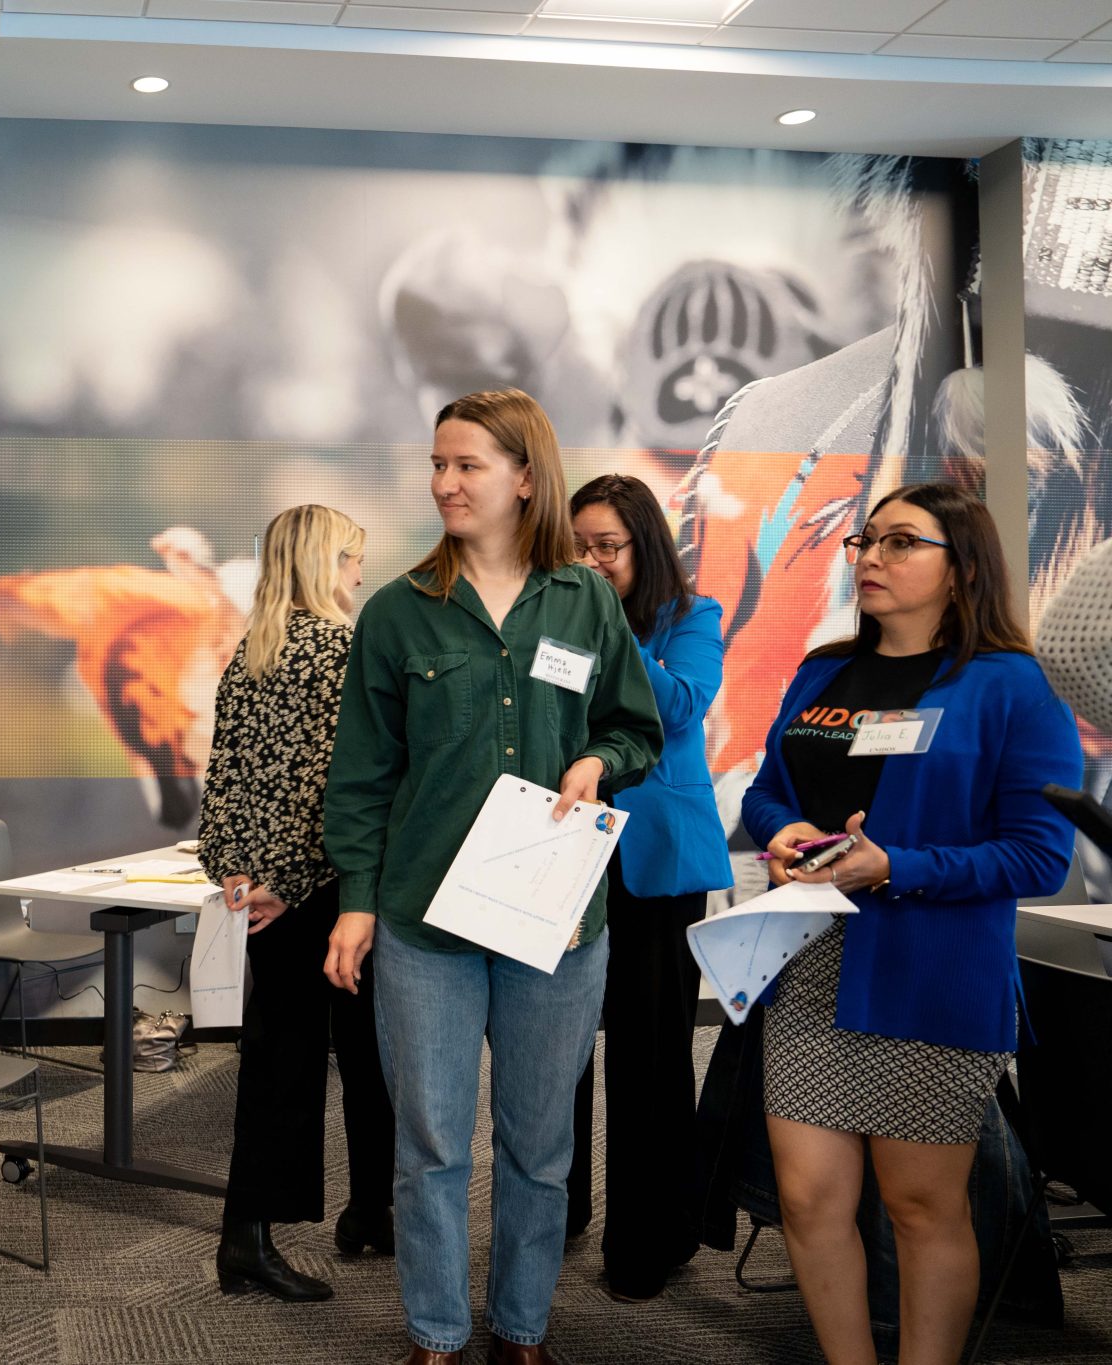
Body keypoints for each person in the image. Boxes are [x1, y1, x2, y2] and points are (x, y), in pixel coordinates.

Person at [323, 389, 663, 1365]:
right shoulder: (395, 612)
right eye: (436, 464)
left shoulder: (584, 599)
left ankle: (519, 1330)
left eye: (465, 464)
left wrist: (598, 761)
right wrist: (353, 904)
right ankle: (435, 1334)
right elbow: (360, 774)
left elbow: (632, 725)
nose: (443, 483)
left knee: (537, 1145)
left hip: (554, 918)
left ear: (524, 476)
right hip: (423, 920)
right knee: (429, 1145)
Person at [742, 482, 1082, 1365]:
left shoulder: (1010, 686)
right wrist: (780, 828)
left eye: (901, 543)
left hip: (932, 975)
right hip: (810, 961)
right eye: (866, 541)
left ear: (962, 566)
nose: (871, 558)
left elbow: (1040, 856)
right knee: (808, 1198)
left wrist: (898, 866)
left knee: (921, 1208)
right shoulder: (823, 669)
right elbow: (769, 784)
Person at [196, 504, 397, 1304]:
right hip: (328, 890)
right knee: (369, 1053)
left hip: (270, 895)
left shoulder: (252, 650)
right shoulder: (337, 649)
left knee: (280, 1060)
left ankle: (257, 1231)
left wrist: (240, 873)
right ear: (323, 561)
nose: (359, 571)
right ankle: (365, 1209)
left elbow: (229, 779)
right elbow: (334, 784)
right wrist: (290, 876)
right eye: (352, 556)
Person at [561, 474, 732, 1300]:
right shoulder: (545, 615)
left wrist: (603, 625)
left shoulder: (693, 618)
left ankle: (649, 1236)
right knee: (553, 1050)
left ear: (645, 546)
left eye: (608, 548)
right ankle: (555, 1213)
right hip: (562, 850)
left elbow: (679, 705)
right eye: (580, 547)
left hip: (656, 860)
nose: (592, 562)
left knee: (650, 1050)